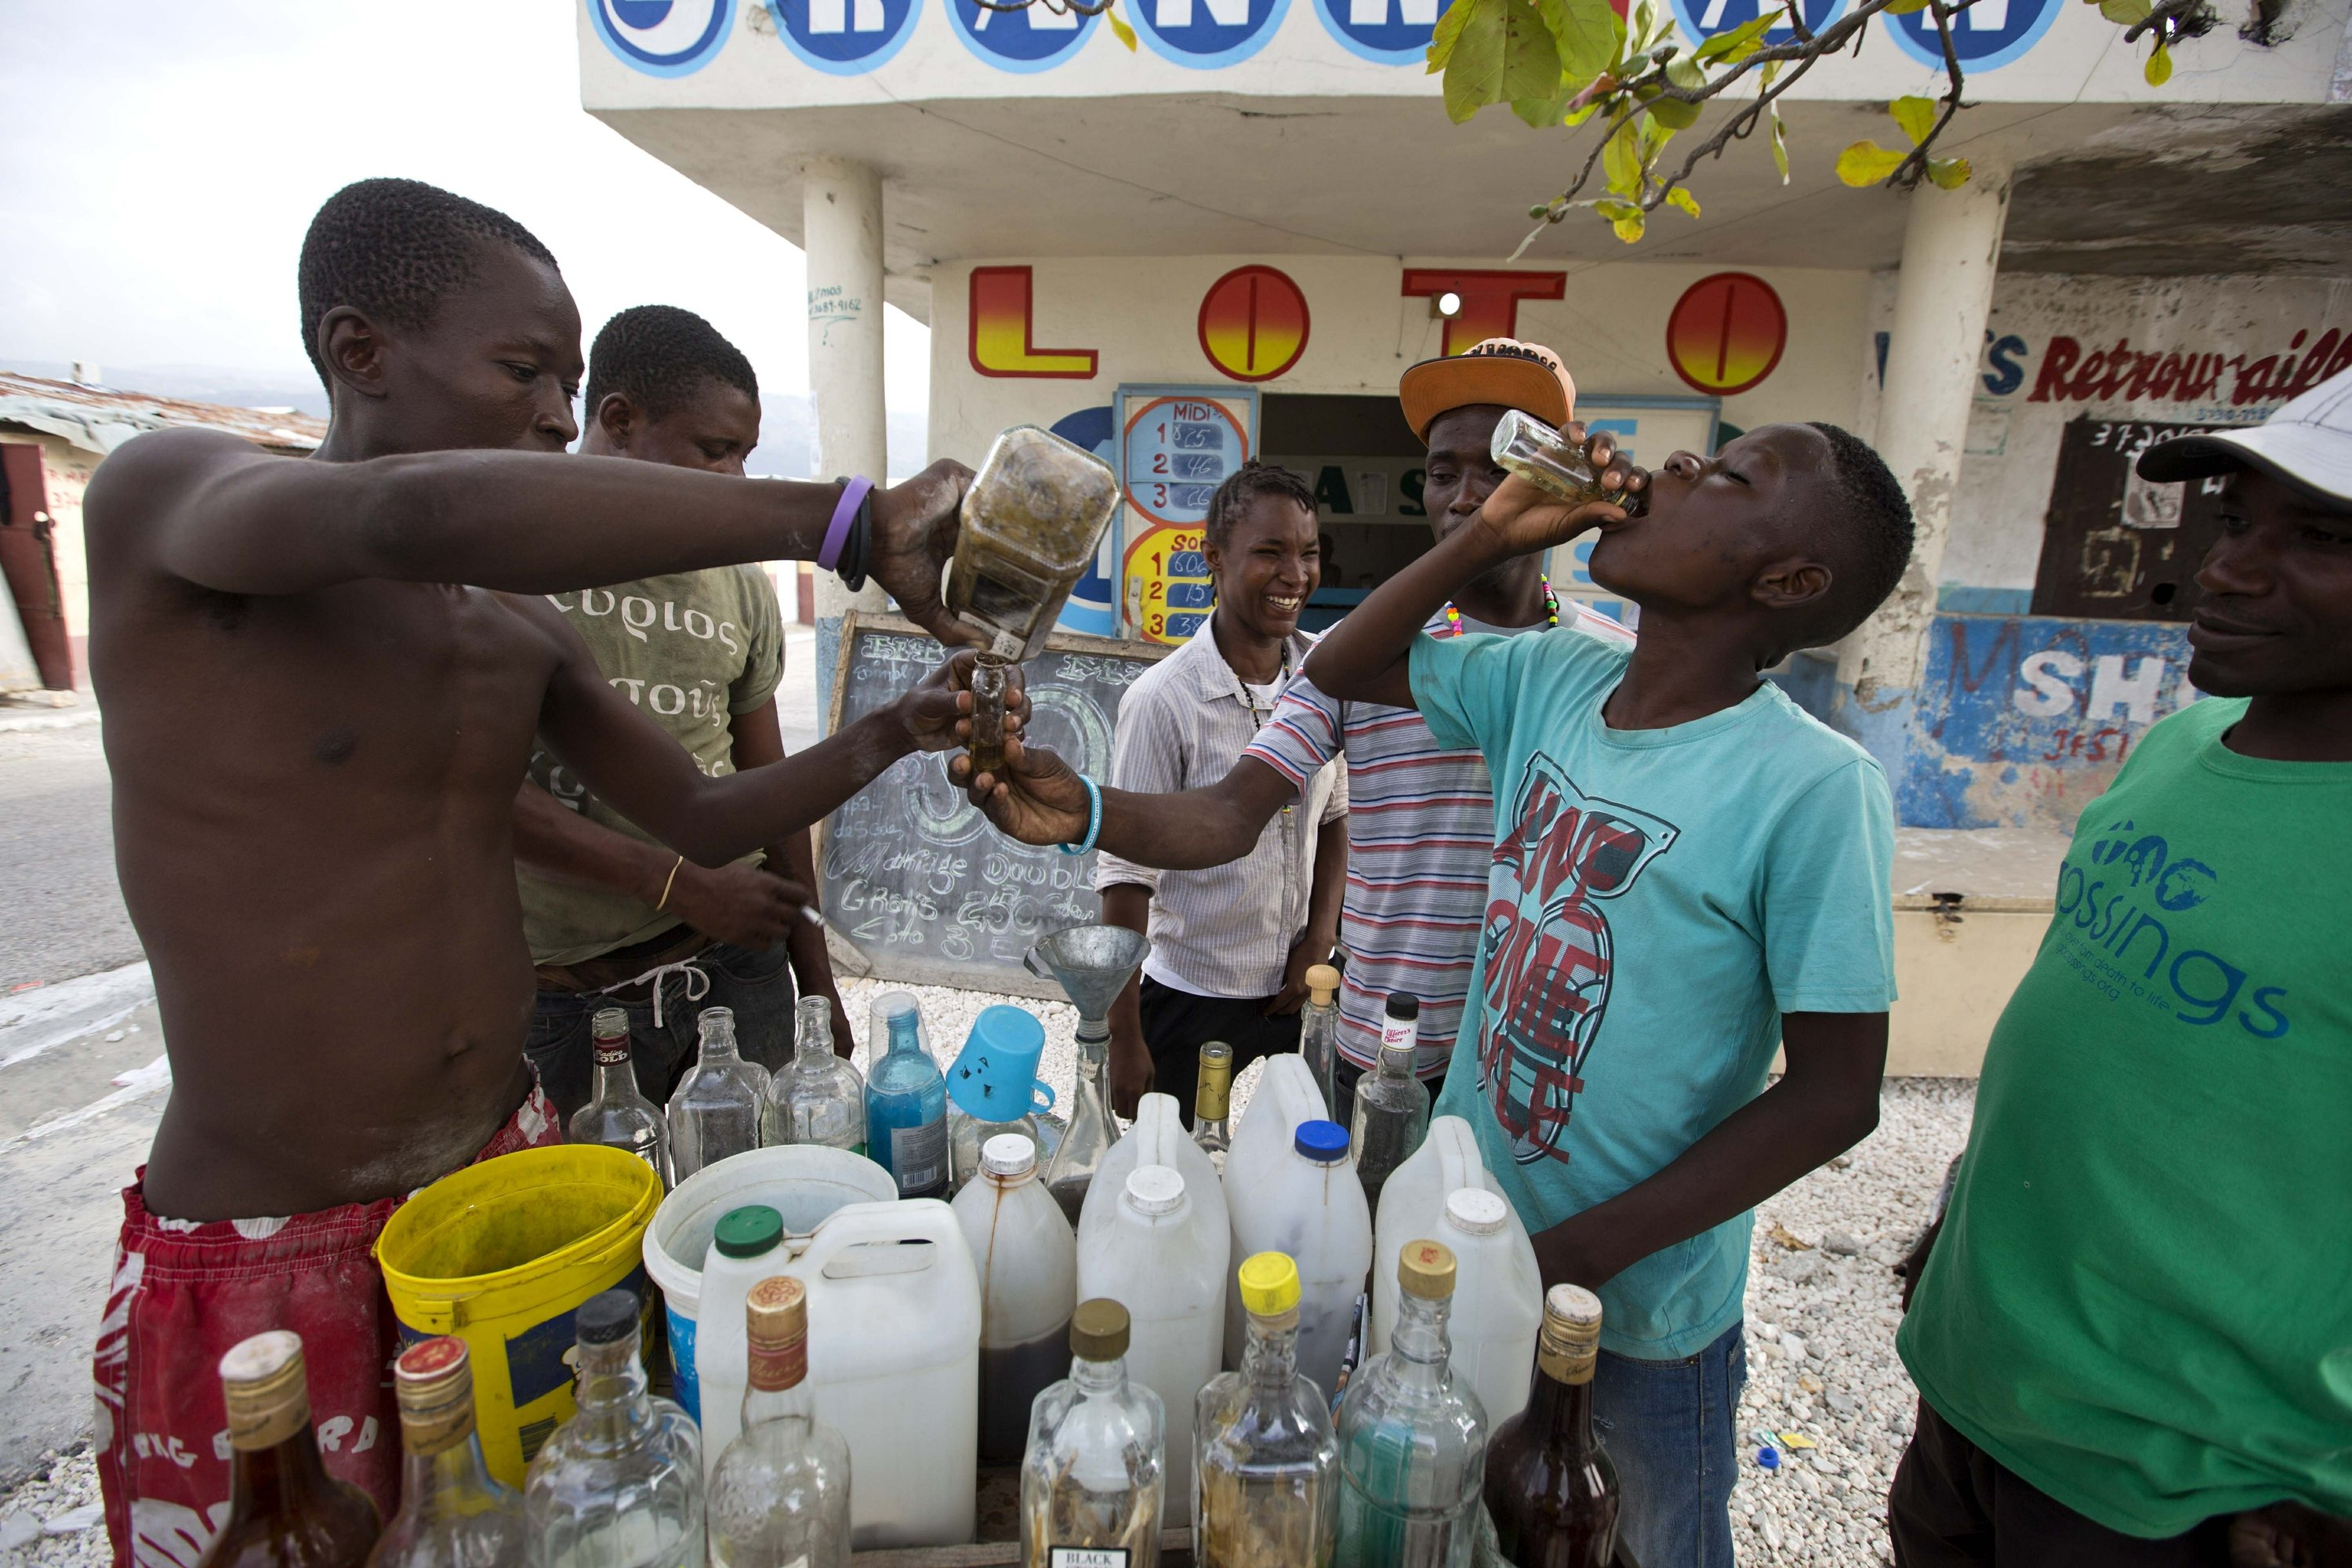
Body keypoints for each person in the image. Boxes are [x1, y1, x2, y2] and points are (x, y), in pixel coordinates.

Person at [84, 178, 995, 1564]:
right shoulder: (179, 503)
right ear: (357, 351)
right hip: (276, 1236)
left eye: (571, 383)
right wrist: (842, 519)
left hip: (505, 1187)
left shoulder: (509, 632)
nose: (561, 416)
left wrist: (890, 731)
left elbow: (697, 807)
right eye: (525, 372)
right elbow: (405, 519)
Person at [1297, 416, 1911, 1568]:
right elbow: (1340, 666)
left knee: (1636, 1540)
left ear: (1787, 581)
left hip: (1633, 1312)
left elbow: (1838, 1095)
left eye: (1727, 477)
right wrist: (1487, 533)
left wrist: (1584, 1250)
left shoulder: (1815, 787)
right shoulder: (1553, 678)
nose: (1674, 468)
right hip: (1477, 1242)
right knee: (1459, 1527)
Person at [1889, 371, 2352, 1568]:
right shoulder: (2181, 746)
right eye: (2240, 521)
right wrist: (1965, 1220)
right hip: (1982, 1392)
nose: (2231, 570)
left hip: (2192, 1488)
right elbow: (2102, 1051)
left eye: (2321, 538)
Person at [954, 339, 1632, 1112]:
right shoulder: (1357, 660)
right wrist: (1088, 808)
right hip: (1386, 1061)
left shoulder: (1611, 663)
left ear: (1557, 474)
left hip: (1538, 1062)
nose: (1468, 495)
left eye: (1499, 465)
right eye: (1445, 472)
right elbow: (1227, 812)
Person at [512, 305, 849, 1121]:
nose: (734, 480)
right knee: (610, 1240)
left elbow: (771, 793)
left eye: (746, 454)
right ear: (620, 421)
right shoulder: (510, 565)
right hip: (566, 1006)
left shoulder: (734, 581)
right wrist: (680, 885)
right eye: (715, 450)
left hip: (737, 972)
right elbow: (485, 798)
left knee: (761, 1215)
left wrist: (815, 982)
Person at [1092, 460, 1348, 1121]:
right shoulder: (1162, 701)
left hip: (1299, 987)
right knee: (1177, 1169)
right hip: (1192, 992)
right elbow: (1125, 876)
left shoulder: (1326, 677)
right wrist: (1125, 1036)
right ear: (1213, 557)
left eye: (1309, 553)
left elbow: (1334, 820)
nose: (1295, 575)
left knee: (1301, 1159)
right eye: (1270, 553)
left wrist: (1318, 942)